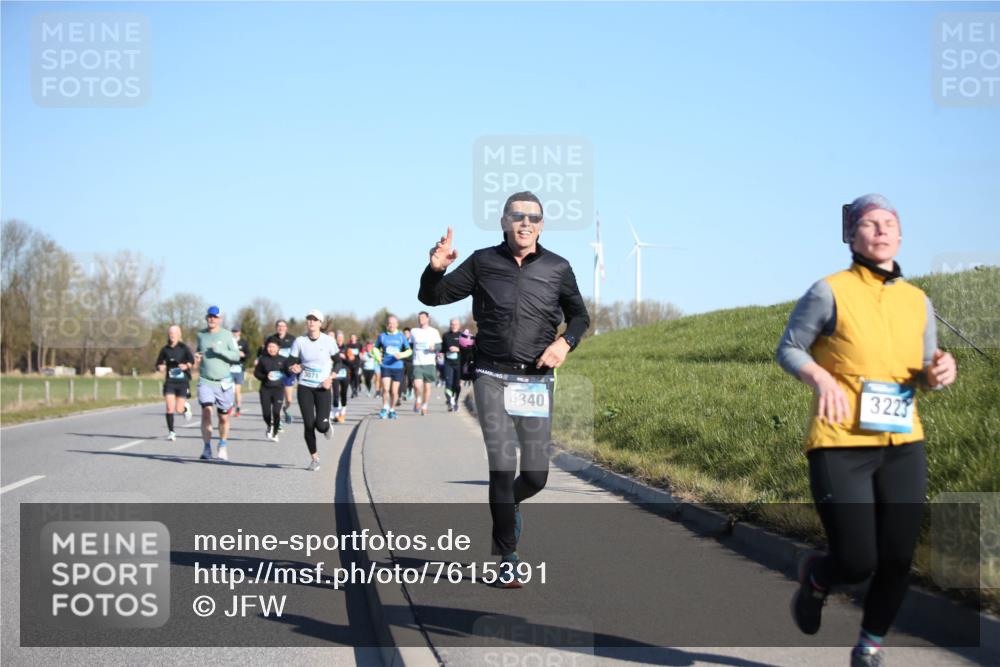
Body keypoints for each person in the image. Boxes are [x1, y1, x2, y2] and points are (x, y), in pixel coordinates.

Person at [776, 194, 958, 667]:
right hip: (840, 442)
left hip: (902, 443)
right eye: (869, 223)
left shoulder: (918, 301)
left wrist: (937, 374)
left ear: (900, 236)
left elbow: (923, 370)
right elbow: (790, 348)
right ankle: (817, 576)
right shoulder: (829, 291)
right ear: (851, 235)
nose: (881, 229)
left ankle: (869, 646)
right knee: (858, 561)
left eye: (889, 223)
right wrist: (819, 376)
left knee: (899, 557)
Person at [419, 191, 590, 587]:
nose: (525, 223)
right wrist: (434, 269)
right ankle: (508, 555)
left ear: (541, 225)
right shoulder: (483, 262)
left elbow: (580, 316)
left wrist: (565, 343)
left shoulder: (558, 267)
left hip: (534, 380)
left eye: (533, 217)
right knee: (501, 464)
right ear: (504, 222)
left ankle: (506, 504)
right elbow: (433, 296)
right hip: (491, 375)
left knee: (535, 477)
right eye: (517, 216)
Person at [287, 310, 338, 471]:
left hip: (322, 387)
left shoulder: (328, 341)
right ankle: (315, 458)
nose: (311, 322)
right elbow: (290, 361)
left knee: (320, 427)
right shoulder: (299, 341)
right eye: (309, 319)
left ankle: (326, 424)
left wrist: (330, 378)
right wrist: (292, 366)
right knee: (308, 424)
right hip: (305, 386)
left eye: (314, 320)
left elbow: (338, 362)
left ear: (320, 323)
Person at [194, 306, 243, 461]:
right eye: (209, 316)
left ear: (220, 319)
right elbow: (199, 352)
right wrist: (197, 357)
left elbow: (236, 356)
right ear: (206, 317)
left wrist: (220, 351)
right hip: (205, 381)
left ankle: (222, 444)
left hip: (224, 383)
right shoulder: (201, 335)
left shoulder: (228, 335)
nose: (212, 319)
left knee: (223, 418)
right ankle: (207, 448)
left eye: (215, 317)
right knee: (206, 412)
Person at [155, 325, 194, 441]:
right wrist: (160, 367)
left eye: (174, 333)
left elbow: (191, 361)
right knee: (169, 408)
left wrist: (186, 365)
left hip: (182, 382)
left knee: (179, 409)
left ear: (179, 334)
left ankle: (185, 408)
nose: (172, 335)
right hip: (170, 382)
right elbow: (158, 363)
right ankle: (171, 432)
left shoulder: (184, 348)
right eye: (170, 333)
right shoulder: (165, 349)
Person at [259, 320, 296, 427]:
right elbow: (265, 353)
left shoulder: (292, 339)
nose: (281, 328)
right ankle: (277, 420)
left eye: (283, 326)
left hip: (288, 371)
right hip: (276, 372)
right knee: (276, 398)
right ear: (276, 327)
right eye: (279, 326)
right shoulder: (272, 339)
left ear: (286, 327)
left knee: (289, 399)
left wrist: (295, 365)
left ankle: (285, 409)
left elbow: (297, 354)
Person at [375, 315, 411, 419]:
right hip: (386, 366)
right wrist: (378, 357)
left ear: (397, 324)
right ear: (387, 325)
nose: (391, 325)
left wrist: (401, 355)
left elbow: (409, 351)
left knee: (394, 391)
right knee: (385, 389)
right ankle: (385, 407)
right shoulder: (382, 336)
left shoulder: (401, 336)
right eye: (389, 323)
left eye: (393, 323)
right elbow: (375, 349)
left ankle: (392, 409)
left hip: (398, 367)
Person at [253, 339, 289, 441]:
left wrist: (291, 371)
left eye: (273, 347)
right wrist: (265, 376)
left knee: (276, 412)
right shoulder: (263, 359)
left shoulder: (284, 360)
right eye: (269, 347)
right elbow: (256, 373)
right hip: (265, 389)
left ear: (278, 348)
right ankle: (269, 425)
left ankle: (275, 432)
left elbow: (288, 373)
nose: (271, 349)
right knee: (266, 414)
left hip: (278, 389)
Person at [409, 311, 443, 415]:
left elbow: (440, 346)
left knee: (427, 387)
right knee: (417, 385)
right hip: (417, 362)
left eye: (423, 317)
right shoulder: (414, 331)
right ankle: (418, 399)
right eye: (419, 317)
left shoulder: (434, 331)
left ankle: (425, 406)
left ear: (428, 318)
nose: (421, 319)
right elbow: (410, 345)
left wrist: (434, 348)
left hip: (429, 362)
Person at [441, 318, 464, 412]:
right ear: (450, 325)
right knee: (448, 383)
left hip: (459, 363)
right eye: (452, 324)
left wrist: (458, 349)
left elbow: (467, 350)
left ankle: (456, 400)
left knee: (457, 385)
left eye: (455, 324)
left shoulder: (462, 336)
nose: (453, 326)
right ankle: (450, 401)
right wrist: (440, 353)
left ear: (459, 325)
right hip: (448, 363)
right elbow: (442, 349)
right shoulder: (446, 335)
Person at [331, 330, 350, 423]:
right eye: (338, 338)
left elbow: (353, 362)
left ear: (343, 339)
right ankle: (335, 414)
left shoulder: (347, 348)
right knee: (335, 394)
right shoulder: (332, 348)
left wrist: (345, 357)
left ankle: (343, 411)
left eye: (341, 338)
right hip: (335, 373)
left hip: (345, 373)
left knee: (343, 393)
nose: (339, 340)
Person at [231, 325, 250, 417]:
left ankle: (238, 408)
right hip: (229, 368)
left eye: (236, 331)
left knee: (237, 390)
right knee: (229, 390)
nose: (235, 333)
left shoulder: (243, 343)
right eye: (233, 331)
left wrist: (244, 355)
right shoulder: (229, 342)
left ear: (239, 333)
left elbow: (248, 355)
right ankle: (230, 406)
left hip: (239, 368)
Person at [346, 334, 363, 398]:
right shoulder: (348, 345)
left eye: (354, 337)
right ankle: (353, 389)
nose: (352, 338)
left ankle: (355, 388)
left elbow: (361, 353)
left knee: (356, 375)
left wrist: (361, 360)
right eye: (351, 337)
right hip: (349, 363)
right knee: (350, 377)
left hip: (357, 362)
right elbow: (346, 353)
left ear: (356, 338)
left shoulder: (359, 345)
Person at [401, 327, 415, 404]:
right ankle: (404, 392)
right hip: (403, 361)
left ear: (410, 334)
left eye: (407, 333)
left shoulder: (413, 342)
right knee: (402, 377)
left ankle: (410, 390)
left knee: (410, 378)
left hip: (410, 362)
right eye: (404, 333)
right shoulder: (402, 342)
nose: (405, 334)